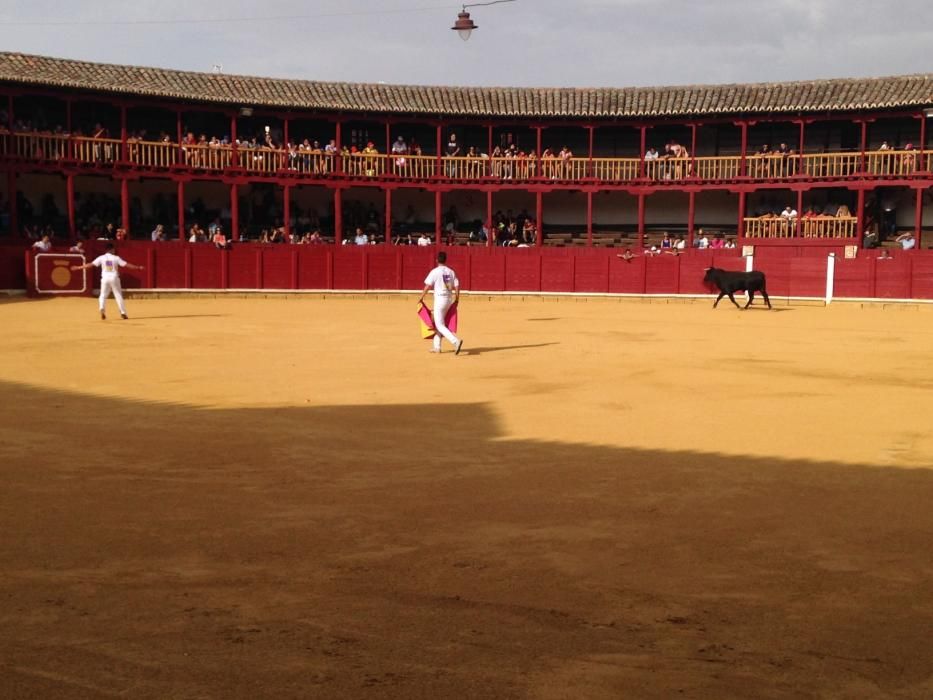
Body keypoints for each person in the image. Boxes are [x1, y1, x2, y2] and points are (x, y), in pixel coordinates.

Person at [70, 242, 144, 320]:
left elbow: (90, 265)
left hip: (105, 278)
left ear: (106, 250)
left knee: (102, 295)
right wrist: (138, 267)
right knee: (118, 295)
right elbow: (127, 265)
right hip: (114, 278)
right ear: (112, 249)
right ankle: (123, 312)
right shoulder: (116, 258)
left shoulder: (101, 258)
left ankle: (102, 308)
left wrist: (78, 267)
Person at [419, 251, 463, 355]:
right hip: (448, 299)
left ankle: (455, 341)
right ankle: (437, 347)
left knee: (439, 325)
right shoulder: (451, 271)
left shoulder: (435, 271)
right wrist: (457, 299)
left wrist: (421, 297)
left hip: (439, 300)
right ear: (445, 260)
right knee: (441, 323)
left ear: (437, 260)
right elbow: (456, 286)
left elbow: (428, 286)